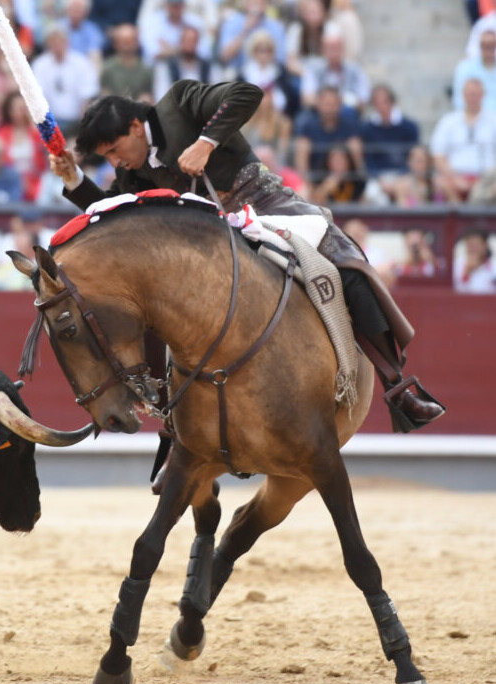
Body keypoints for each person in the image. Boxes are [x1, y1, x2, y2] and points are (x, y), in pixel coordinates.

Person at [49, 79, 445, 432]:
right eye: (107, 158)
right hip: (208, 240)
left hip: (266, 205)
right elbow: (110, 213)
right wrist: (73, 180)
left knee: (342, 258)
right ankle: (175, 428)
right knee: (154, 304)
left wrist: (206, 143)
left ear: (136, 128)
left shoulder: (179, 101)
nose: (115, 162)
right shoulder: (132, 173)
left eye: (115, 150)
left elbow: (247, 93)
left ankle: (397, 386)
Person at [430, 77, 496, 202]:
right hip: (454, 178)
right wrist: (454, 178)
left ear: (483, 95)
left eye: (476, 94)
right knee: (439, 184)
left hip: (488, 179)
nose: (472, 98)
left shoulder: (494, 121)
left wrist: (485, 180)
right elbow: (438, 155)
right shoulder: (448, 121)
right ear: (463, 95)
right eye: (470, 94)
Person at [30, 25, 99, 134]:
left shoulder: (81, 62)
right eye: (53, 41)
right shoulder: (40, 64)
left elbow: (87, 94)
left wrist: (82, 125)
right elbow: (38, 95)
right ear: (47, 44)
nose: (57, 45)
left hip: (76, 119)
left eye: (60, 41)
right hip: (49, 121)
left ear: (67, 41)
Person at [99, 22, 153, 101]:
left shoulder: (146, 70)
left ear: (136, 43)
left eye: (130, 42)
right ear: (115, 44)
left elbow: (148, 96)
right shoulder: (106, 68)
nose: (127, 46)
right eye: (124, 42)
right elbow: (104, 94)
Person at [453, 29, 496, 113]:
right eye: (485, 45)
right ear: (479, 46)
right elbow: (459, 99)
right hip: (474, 119)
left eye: (491, 45)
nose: (488, 48)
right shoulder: (465, 68)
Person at [452, 228, 496, 294]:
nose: (473, 249)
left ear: (485, 245)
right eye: (470, 245)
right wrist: (467, 272)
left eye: (476, 245)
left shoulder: (494, 265)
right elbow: (456, 291)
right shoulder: (457, 264)